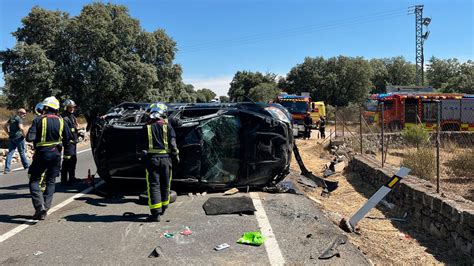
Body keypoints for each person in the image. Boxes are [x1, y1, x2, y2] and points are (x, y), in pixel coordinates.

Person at [26, 96, 71, 220]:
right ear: (56, 108)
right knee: (51, 181)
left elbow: (29, 138)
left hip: (42, 154)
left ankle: (39, 207)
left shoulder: (39, 120)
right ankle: (45, 208)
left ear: (45, 107)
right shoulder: (62, 120)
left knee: (34, 179)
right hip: (56, 154)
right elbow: (68, 139)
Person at [138, 102, 179, 222]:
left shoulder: (146, 127)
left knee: (154, 185)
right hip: (166, 159)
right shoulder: (167, 126)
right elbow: (173, 144)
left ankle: (156, 214)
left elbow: (140, 147)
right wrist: (176, 156)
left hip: (152, 160)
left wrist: (141, 156)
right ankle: (164, 207)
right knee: (166, 184)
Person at [3, 108, 29, 174]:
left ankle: (7, 169)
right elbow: (21, 128)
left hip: (12, 138)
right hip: (19, 137)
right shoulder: (19, 119)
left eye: (25, 113)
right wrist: (25, 136)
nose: (25, 115)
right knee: (22, 152)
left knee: (10, 152)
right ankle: (26, 166)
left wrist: (8, 133)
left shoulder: (11, 118)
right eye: (23, 113)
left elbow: (4, 126)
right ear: (19, 113)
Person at [60, 99, 79, 185]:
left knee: (73, 160)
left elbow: (74, 128)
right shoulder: (64, 117)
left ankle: (72, 177)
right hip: (68, 142)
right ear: (66, 107)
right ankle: (64, 180)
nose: (72, 109)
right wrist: (68, 140)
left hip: (73, 142)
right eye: (70, 107)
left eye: (73, 107)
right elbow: (66, 131)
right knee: (67, 161)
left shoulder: (72, 116)